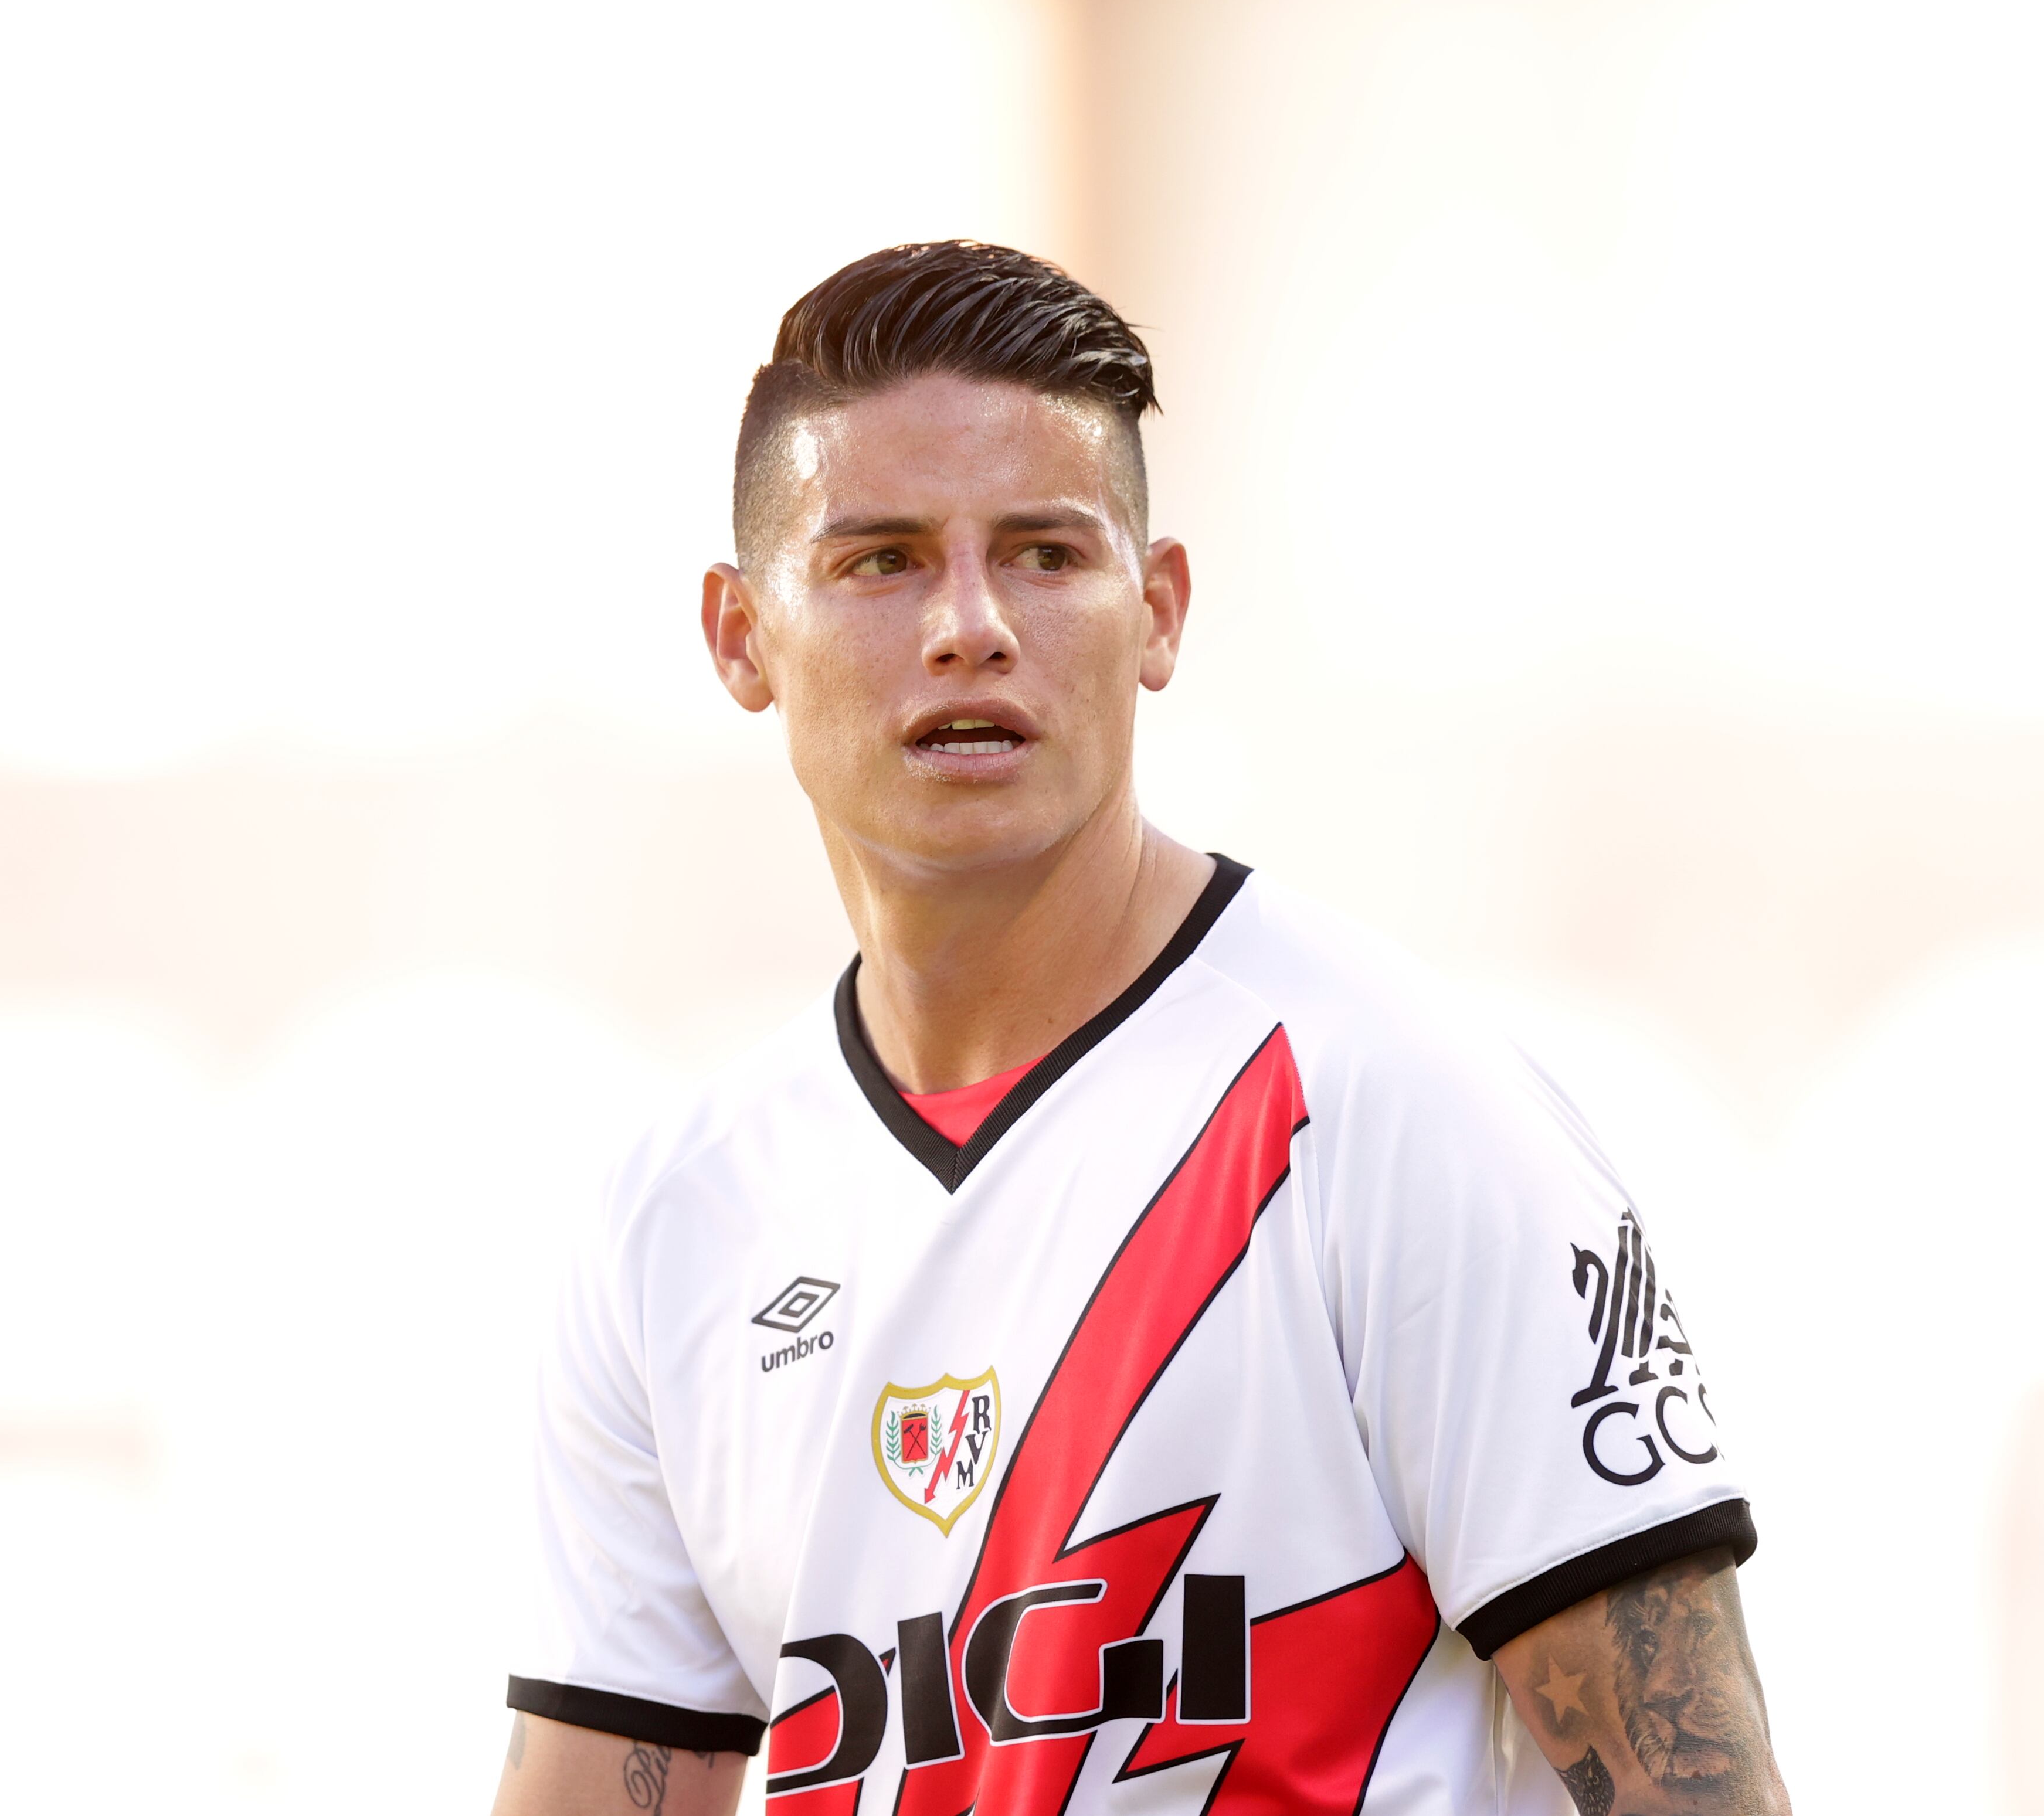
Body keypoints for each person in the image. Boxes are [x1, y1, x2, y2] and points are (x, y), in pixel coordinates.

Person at [490, 242, 1790, 1816]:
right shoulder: (676, 1222)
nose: (970, 624)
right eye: (881, 560)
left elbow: (1699, 1787)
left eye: (1044, 552)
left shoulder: (1404, 1110)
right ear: (740, 635)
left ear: (1157, 611)